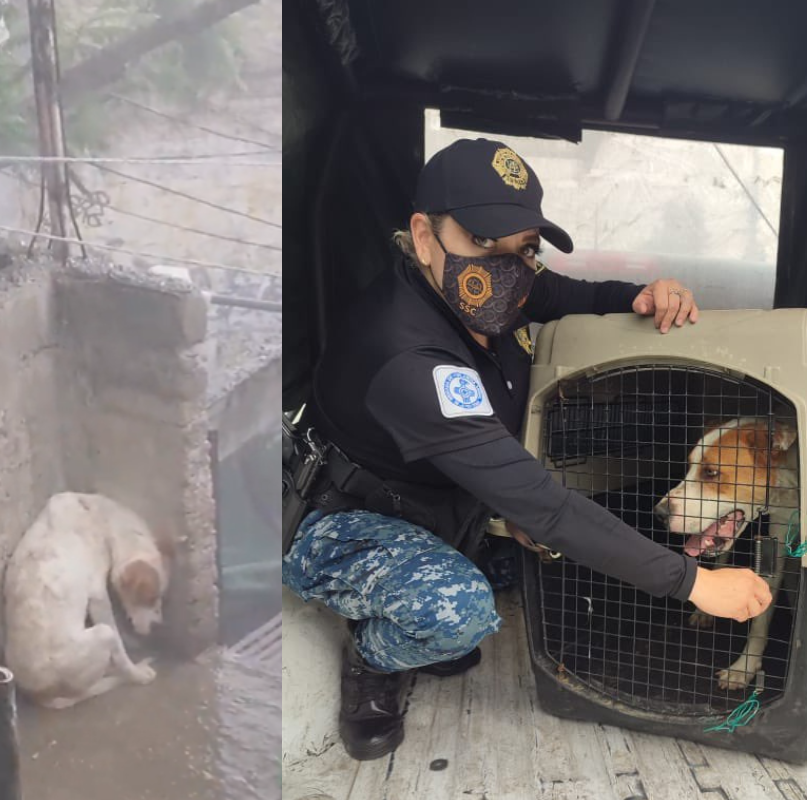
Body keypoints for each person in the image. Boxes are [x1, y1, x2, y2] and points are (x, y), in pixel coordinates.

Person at [282, 137, 774, 761]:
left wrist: (643, 294)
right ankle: (373, 658)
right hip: (351, 523)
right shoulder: (406, 353)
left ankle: (437, 588)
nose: (509, 268)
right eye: (483, 241)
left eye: (524, 248)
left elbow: (568, 296)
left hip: (443, 505)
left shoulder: (493, 287)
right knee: (458, 611)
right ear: (424, 234)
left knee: (547, 563)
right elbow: (548, 507)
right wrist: (697, 584)